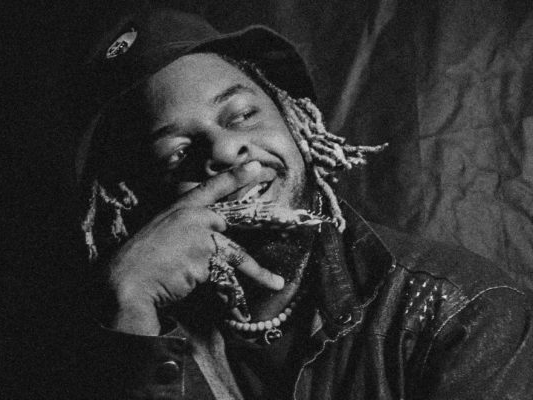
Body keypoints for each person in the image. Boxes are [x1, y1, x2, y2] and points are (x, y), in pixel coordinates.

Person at [74, 7, 533, 400]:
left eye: (242, 115)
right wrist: (131, 310)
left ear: (294, 123)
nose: (225, 150)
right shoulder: (108, 334)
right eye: (176, 153)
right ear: (133, 201)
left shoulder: (461, 313)